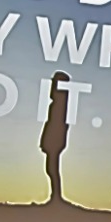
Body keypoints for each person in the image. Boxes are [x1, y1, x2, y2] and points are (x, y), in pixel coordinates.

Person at [40, 70, 71, 203]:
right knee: (51, 168)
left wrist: (48, 141)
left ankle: (56, 196)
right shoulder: (57, 105)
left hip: (55, 140)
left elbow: (56, 124)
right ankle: (55, 196)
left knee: (52, 168)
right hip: (54, 140)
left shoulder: (59, 105)